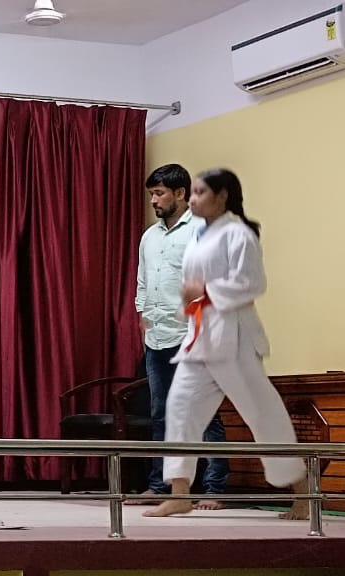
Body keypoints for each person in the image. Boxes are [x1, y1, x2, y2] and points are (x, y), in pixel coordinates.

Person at [144, 168, 308, 520]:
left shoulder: (238, 234)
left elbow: (252, 284)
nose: (193, 199)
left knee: (263, 415)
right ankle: (180, 493)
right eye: (193, 192)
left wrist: (204, 292)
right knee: (180, 409)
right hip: (200, 339)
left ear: (221, 197)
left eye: (201, 192)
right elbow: (192, 291)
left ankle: (303, 494)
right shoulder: (199, 236)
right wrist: (188, 303)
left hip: (234, 340)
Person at [133, 164, 230, 509]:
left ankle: (215, 490)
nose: (153, 201)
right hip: (157, 338)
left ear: (180, 193)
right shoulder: (150, 236)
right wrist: (143, 316)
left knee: (204, 414)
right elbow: (143, 282)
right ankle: (161, 487)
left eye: (159, 194)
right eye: (151, 194)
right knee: (161, 414)